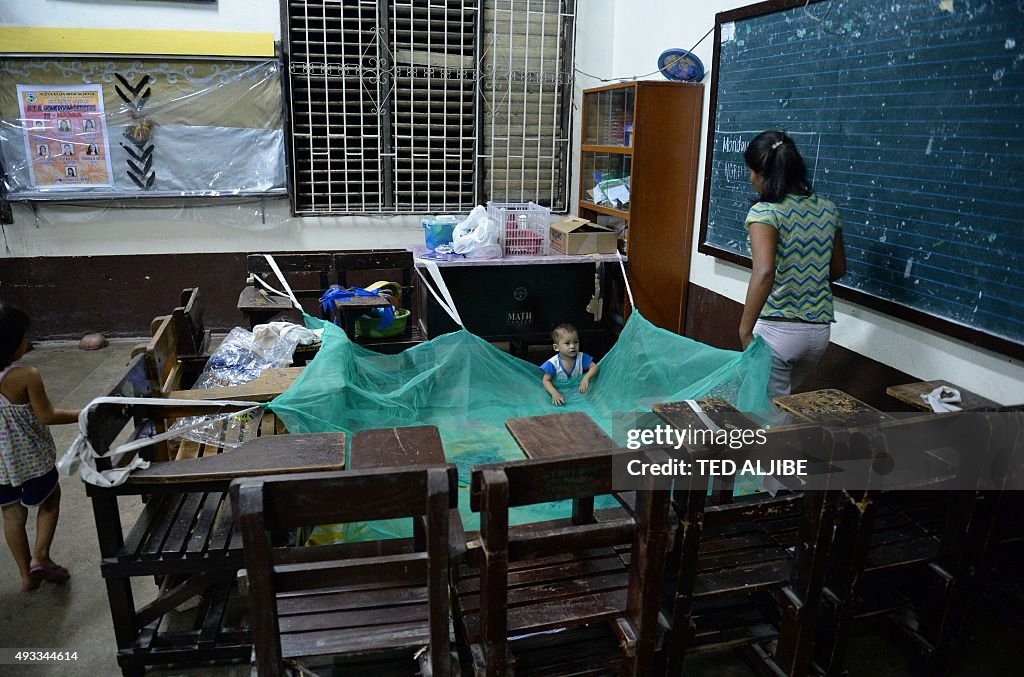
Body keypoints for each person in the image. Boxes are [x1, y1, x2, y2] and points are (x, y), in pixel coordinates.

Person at [739, 130, 846, 399]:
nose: (750, 178)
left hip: (778, 331)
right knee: (785, 403)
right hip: (819, 333)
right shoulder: (828, 209)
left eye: (751, 171)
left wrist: (744, 330)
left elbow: (764, 272)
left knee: (769, 412)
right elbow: (838, 269)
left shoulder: (765, 213)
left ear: (764, 174)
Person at [0, 303, 80, 592]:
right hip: (32, 459)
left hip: (0, 466)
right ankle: (41, 557)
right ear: (10, 345)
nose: (26, 343)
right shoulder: (25, 376)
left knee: (11, 514)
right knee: (50, 499)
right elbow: (46, 415)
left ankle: (25, 576)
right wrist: (84, 412)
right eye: (22, 338)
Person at [540, 323, 599, 406]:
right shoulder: (553, 363)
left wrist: (586, 378)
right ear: (556, 347)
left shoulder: (581, 357)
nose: (572, 346)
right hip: (559, 394)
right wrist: (554, 393)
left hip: (578, 392)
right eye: (567, 343)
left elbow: (594, 367)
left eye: (576, 342)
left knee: (597, 398)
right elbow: (546, 380)